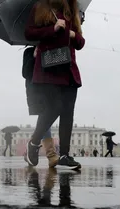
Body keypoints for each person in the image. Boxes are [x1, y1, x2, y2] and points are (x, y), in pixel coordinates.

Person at [24, 0, 85, 170]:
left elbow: (81, 42)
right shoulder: (41, 6)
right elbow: (29, 33)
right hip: (48, 68)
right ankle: (34, 143)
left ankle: (64, 155)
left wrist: (73, 35)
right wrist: (53, 29)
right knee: (54, 108)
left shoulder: (73, 10)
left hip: (69, 68)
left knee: (68, 112)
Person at [23, 46, 59, 167]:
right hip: (36, 91)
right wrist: (34, 56)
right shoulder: (28, 52)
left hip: (51, 88)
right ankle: (51, 154)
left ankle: (32, 146)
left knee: (45, 119)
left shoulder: (51, 50)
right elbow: (25, 73)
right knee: (45, 118)